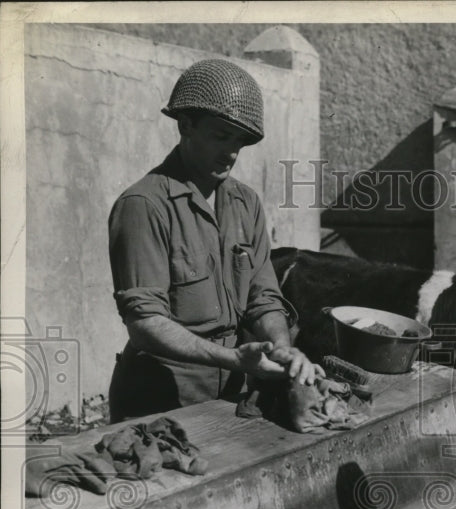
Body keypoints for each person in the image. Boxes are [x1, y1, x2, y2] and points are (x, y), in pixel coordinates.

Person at [108, 58, 320, 423]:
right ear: (185, 124)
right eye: (221, 137)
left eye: (240, 141)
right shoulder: (143, 205)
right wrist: (234, 359)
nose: (232, 153)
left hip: (229, 397)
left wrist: (282, 348)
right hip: (160, 402)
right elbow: (145, 324)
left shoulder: (245, 202)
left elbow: (263, 296)